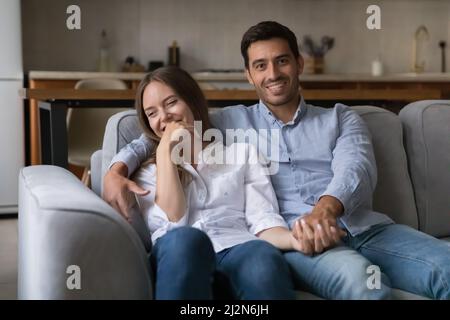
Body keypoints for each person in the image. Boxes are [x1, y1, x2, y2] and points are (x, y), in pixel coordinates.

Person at [103, 21, 450, 299]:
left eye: (282, 60)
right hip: (303, 239)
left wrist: (322, 213)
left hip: (364, 228)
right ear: (249, 75)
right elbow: (165, 128)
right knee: (365, 286)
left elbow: (356, 168)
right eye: (260, 65)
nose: (273, 73)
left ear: (298, 63)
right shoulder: (230, 122)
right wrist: (116, 169)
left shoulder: (341, 118)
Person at [130, 65, 306, 300]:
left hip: (237, 248)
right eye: (152, 113)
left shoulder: (241, 154)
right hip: (180, 254)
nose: (163, 117)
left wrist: (295, 239)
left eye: (171, 102)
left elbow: (262, 220)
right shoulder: (146, 172)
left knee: (262, 256)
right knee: (187, 239)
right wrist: (165, 154)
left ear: (191, 101)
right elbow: (174, 217)